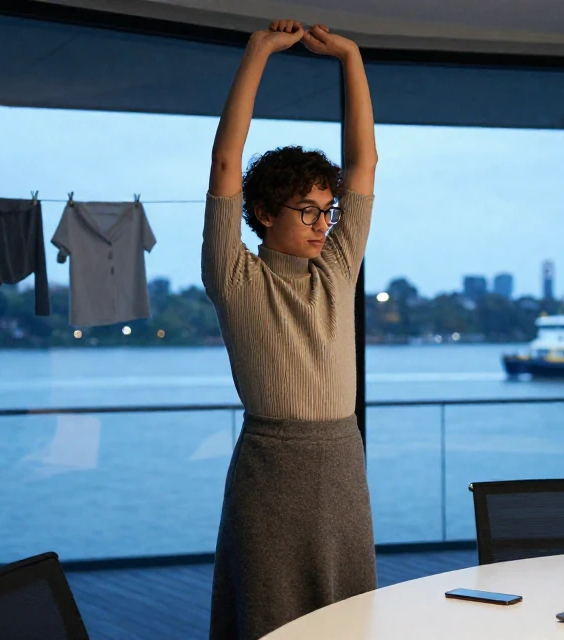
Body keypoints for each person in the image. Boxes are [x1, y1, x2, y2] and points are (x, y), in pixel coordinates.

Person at [202, 19, 378, 640]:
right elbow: (227, 159)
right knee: (267, 622)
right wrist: (257, 52)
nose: (321, 223)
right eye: (307, 209)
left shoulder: (336, 267)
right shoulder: (235, 276)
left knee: (350, 622)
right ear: (262, 213)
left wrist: (351, 59)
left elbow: (364, 162)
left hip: (342, 464)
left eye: (326, 211)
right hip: (269, 472)